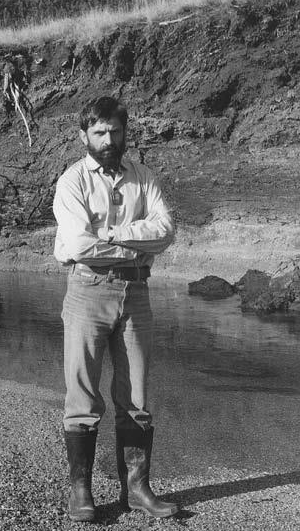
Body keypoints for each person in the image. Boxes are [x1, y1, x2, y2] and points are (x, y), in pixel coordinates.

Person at [53, 96, 179, 522]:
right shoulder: (71, 182)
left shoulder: (144, 177)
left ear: (126, 132)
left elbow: (165, 232)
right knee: (82, 393)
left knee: (137, 395)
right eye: (99, 133)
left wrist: (111, 234)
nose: (108, 140)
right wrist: (134, 239)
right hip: (87, 290)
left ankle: (138, 489)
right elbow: (75, 245)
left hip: (137, 293)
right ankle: (81, 492)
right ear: (84, 135)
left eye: (115, 131)